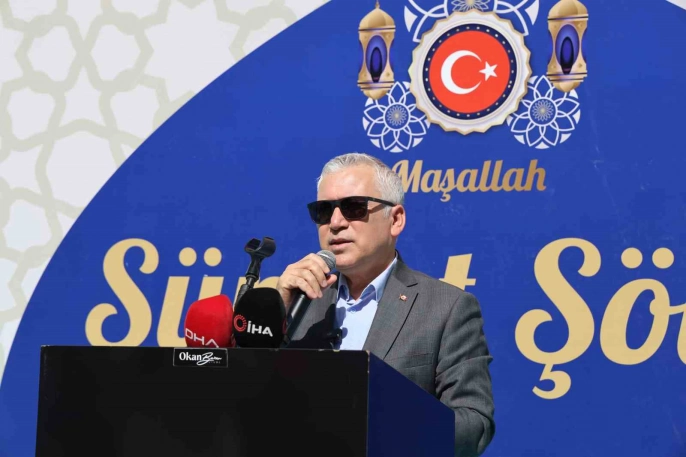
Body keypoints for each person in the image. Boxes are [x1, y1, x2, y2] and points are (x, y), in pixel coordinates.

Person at [276, 152, 495, 456]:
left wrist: (381, 423)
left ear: (395, 220)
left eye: (354, 207)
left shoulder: (448, 308)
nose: (336, 223)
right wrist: (275, 313)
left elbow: (474, 425)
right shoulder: (298, 303)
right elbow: (245, 401)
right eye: (324, 211)